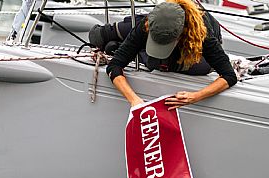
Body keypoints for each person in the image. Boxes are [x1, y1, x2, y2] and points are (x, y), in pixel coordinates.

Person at [91, 0, 237, 109]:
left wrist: (195, 96)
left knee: (159, 64)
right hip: (155, 25)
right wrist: (134, 100)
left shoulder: (202, 35)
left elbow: (229, 76)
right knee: (99, 36)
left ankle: (130, 49)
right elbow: (114, 65)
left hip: (194, 50)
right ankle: (125, 43)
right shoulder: (146, 25)